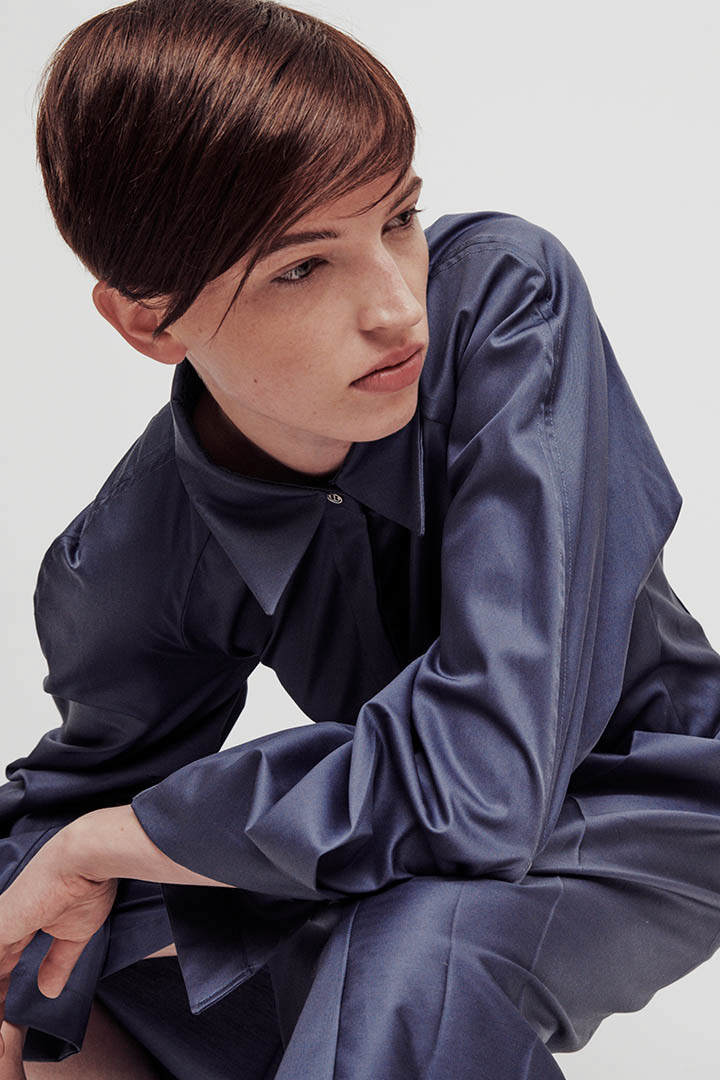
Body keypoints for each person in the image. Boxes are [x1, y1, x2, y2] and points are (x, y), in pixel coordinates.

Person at [2, 0, 720, 1077]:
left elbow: (488, 775)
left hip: (650, 794)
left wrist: (119, 837)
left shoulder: (504, 302)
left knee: (415, 954)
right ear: (148, 319)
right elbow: (68, 806)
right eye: (302, 267)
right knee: (66, 945)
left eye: (399, 219)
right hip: (397, 830)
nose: (396, 308)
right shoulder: (126, 554)